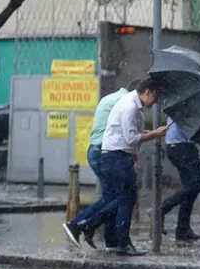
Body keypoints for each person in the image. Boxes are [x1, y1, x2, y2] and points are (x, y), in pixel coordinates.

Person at [62, 79, 167, 256]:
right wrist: (156, 134)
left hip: (119, 156)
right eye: (156, 96)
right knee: (125, 199)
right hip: (115, 157)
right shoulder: (129, 107)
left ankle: (92, 227)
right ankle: (104, 233)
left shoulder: (134, 107)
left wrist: (150, 135)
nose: (157, 101)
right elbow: (131, 138)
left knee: (121, 198)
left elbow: (128, 134)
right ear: (147, 92)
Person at [157, 118, 200, 241]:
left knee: (190, 188)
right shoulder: (187, 106)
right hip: (181, 147)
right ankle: (161, 209)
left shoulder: (187, 104)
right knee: (194, 186)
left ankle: (183, 230)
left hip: (183, 146)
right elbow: (193, 129)